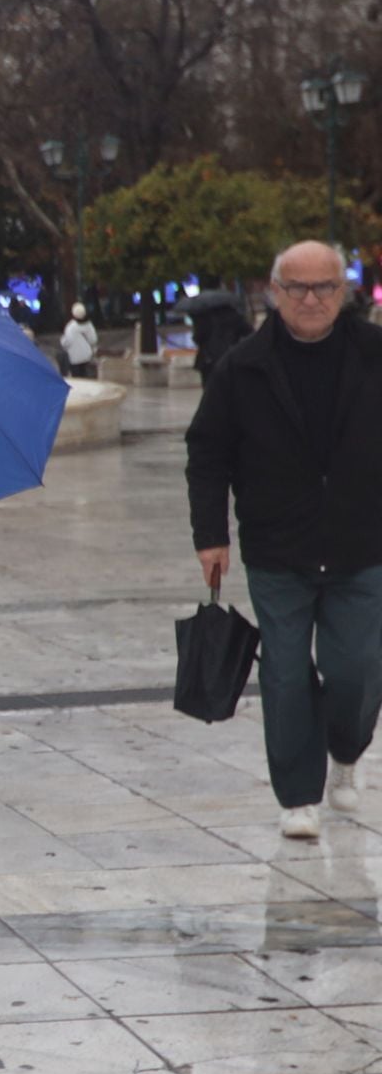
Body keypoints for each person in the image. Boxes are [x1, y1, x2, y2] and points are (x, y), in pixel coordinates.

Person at [186, 240, 382, 840]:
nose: (310, 298)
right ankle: (298, 796)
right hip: (277, 548)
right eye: (296, 287)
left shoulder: (375, 355)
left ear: (342, 292)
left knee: (356, 668)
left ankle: (345, 752)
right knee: (285, 673)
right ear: (273, 292)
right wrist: (210, 534)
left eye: (323, 286)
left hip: (362, 543)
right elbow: (208, 452)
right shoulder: (242, 366)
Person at [191, 301, 254, 388]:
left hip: (208, 358)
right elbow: (249, 332)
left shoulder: (203, 316)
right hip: (229, 355)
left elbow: (198, 337)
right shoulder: (234, 315)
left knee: (209, 387)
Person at [60, 302, 99, 379]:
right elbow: (93, 340)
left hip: (74, 358)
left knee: (78, 380)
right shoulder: (89, 325)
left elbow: (67, 342)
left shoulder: (71, 327)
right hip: (87, 356)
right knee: (87, 378)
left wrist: (62, 341)